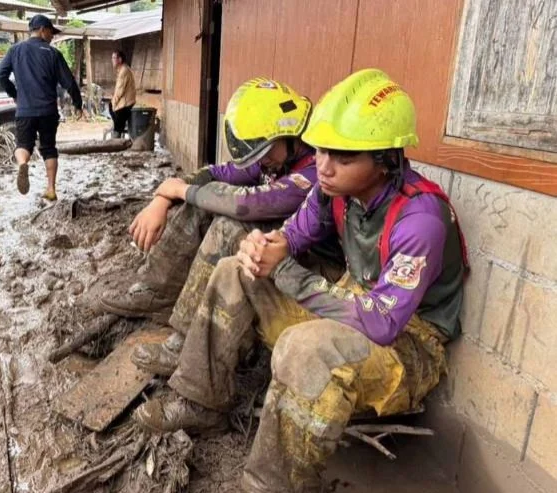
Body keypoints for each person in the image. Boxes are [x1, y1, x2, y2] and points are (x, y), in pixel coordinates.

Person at [132, 69, 469, 493]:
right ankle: (201, 400)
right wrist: (263, 247)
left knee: (305, 349)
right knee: (235, 270)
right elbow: (292, 235)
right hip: (353, 302)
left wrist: (286, 271)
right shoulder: (334, 189)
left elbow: (384, 322)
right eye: (322, 150)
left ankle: (270, 484)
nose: (323, 166)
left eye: (342, 157)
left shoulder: (421, 220)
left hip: (409, 345)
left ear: (386, 159)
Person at [99, 77, 343, 376]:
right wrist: (164, 196)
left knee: (226, 225)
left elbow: (248, 203)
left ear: (290, 135)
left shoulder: (315, 170)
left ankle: (184, 344)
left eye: (265, 153)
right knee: (202, 204)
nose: (262, 162)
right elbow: (216, 173)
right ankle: (155, 291)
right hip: (281, 249)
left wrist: (180, 190)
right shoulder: (275, 157)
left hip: (316, 268)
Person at [0, 14, 83, 202]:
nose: (52, 37)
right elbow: (69, 82)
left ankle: (22, 163)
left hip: (25, 110)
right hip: (48, 111)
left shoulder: (15, 50)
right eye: (51, 32)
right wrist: (78, 104)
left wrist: (15, 94)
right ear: (42, 30)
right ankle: (51, 189)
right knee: (49, 149)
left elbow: (0, 74)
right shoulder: (53, 54)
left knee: (22, 145)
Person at [109, 50, 136, 138]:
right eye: (112, 58)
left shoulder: (124, 71)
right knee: (111, 106)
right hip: (126, 101)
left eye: (114, 58)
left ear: (120, 59)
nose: (112, 60)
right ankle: (118, 130)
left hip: (127, 103)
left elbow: (120, 91)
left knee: (115, 110)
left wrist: (114, 102)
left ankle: (117, 137)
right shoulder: (123, 69)